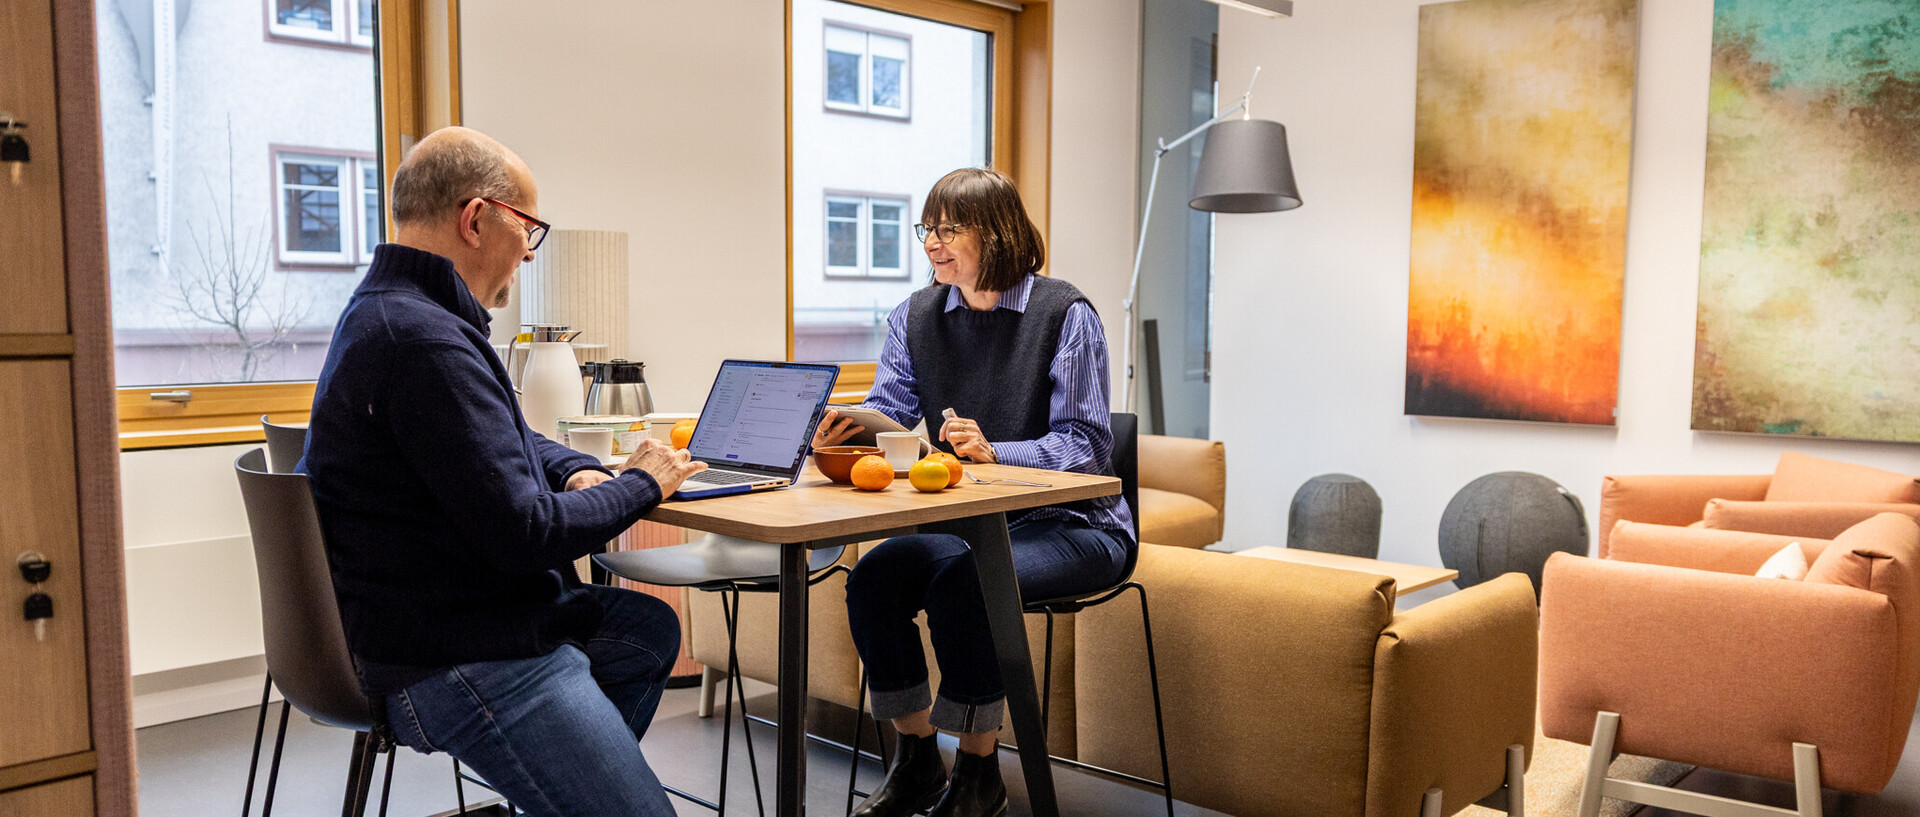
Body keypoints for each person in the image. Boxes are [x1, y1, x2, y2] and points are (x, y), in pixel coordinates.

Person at [303, 126, 706, 817]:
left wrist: (581, 469)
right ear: (475, 217)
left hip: (420, 620)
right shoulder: (426, 343)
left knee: (644, 632)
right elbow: (526, 534)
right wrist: (640, 484)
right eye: (529, 227)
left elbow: (513, 441)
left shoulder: (394, 315)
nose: (528, 248)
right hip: (459, 654)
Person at [816, 167, 1135, 817]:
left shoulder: (1065, 314)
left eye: (947, 229)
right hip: (977, 522)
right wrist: (848, 428)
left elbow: (1088, 447)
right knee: (874, 579)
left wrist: (997, 449)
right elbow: (890, 407)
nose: (931, 243)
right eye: (925, 229)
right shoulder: (916, 315)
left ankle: (979, 772)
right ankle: (916, 760)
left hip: (1077, 524)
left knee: (968, 581)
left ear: (996, 233)